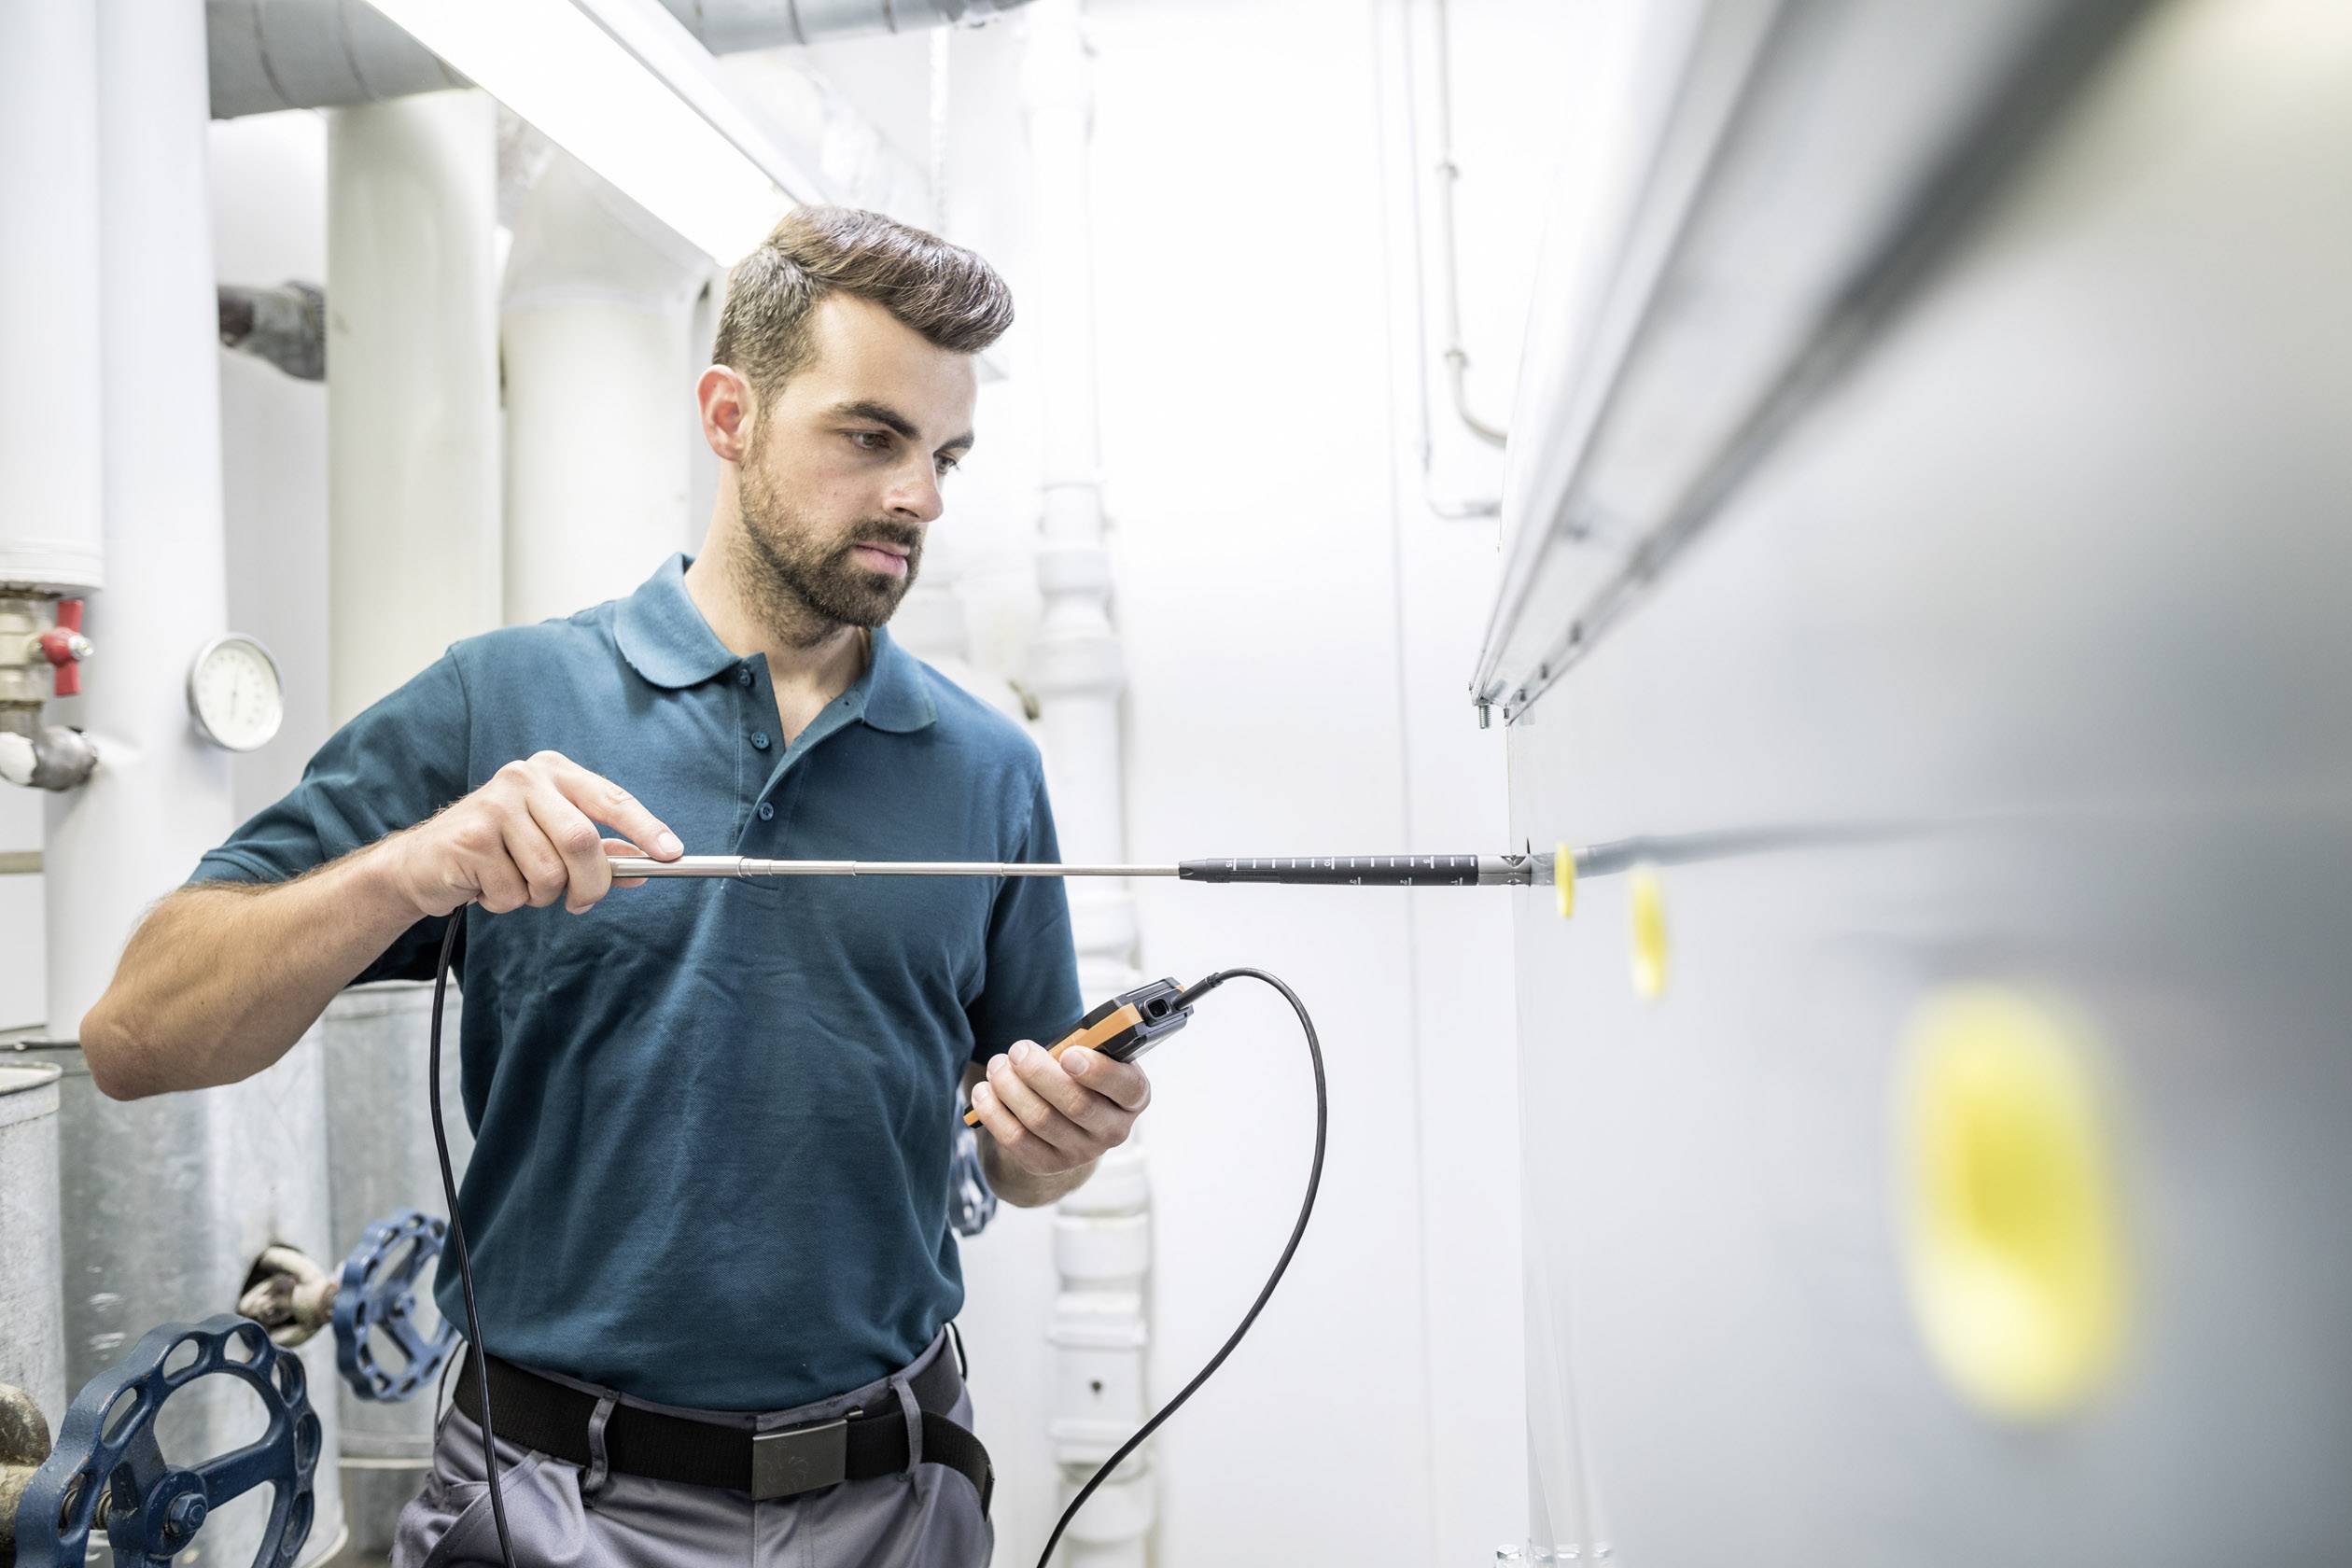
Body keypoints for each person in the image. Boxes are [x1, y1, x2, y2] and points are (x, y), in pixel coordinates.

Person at [79, 205, 1153, 1568]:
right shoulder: (503, 701)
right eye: (872, 437)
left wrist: (1050, 1146)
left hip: (897, 1497)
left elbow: (1014, 1146)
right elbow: (135, 1038)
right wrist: (412, 867)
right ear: (730, 414)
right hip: (554, 1503)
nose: (921, 499)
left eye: (945, 456)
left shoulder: (989, 767)